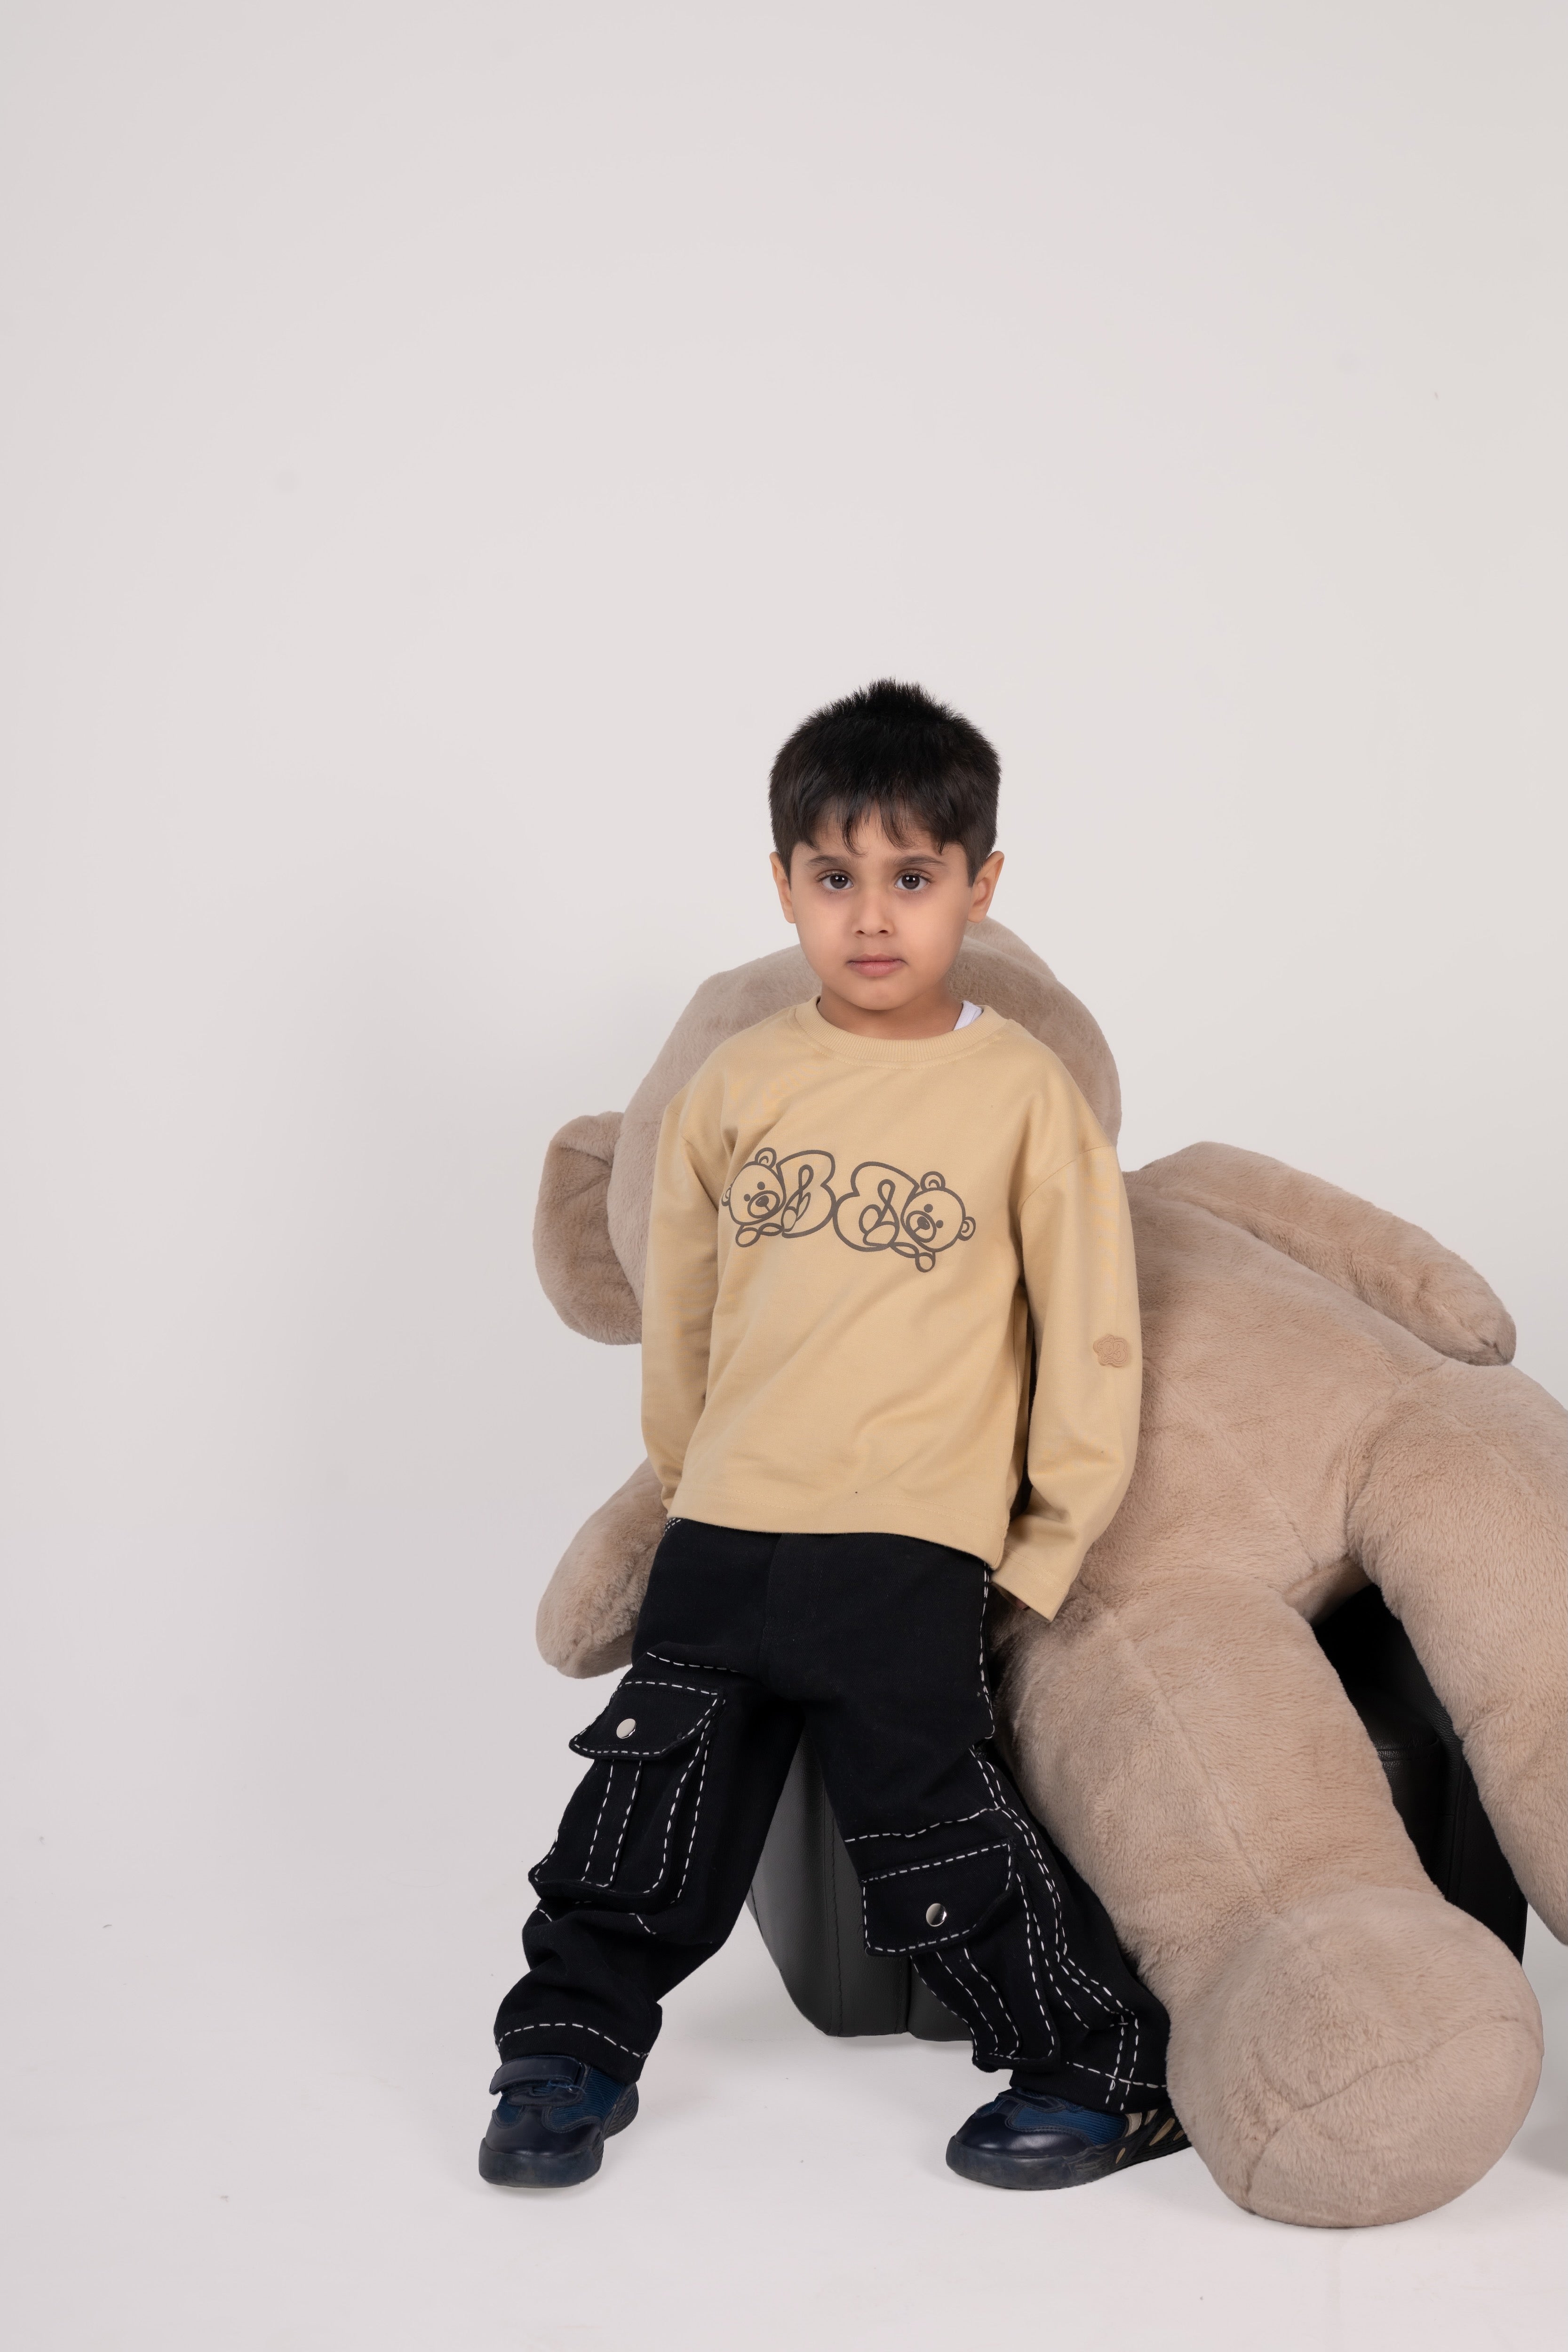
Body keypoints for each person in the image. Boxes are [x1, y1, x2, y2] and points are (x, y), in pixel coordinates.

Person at [481, 680, 1185, 2192]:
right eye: (836, 877)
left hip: (908, 1532)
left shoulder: (1021, 1096)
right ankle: (568, 2044)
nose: (874, 915)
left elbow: (1091, 1330)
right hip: (730, 1520)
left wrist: (1049, 1533)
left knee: (925, 1812)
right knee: (649, 1795)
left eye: (914, 878)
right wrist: (688, 1478)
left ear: (980, 889)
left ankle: (1097, 2064)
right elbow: (688, 1316)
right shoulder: (740, 1086)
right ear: (786, 883)